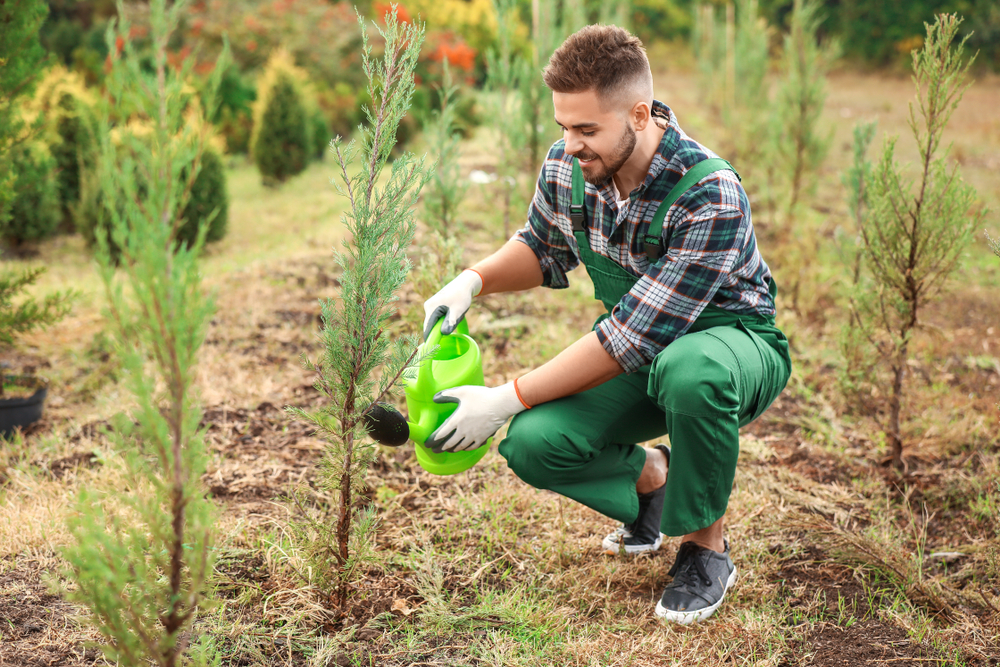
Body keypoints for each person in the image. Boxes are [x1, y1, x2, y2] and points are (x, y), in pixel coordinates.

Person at [420, 24, 791, 624]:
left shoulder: (708, 192)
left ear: (639, 115)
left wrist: (503, 398)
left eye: (587, 129)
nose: (570, 144)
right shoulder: (571, 168)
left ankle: (705, 550)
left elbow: (629, 339)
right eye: (564, 125)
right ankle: (652, 478)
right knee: (534, 443)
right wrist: (474, 281)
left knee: (690, 371)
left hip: (733, 346)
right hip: (644, 355)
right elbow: (542, 247)